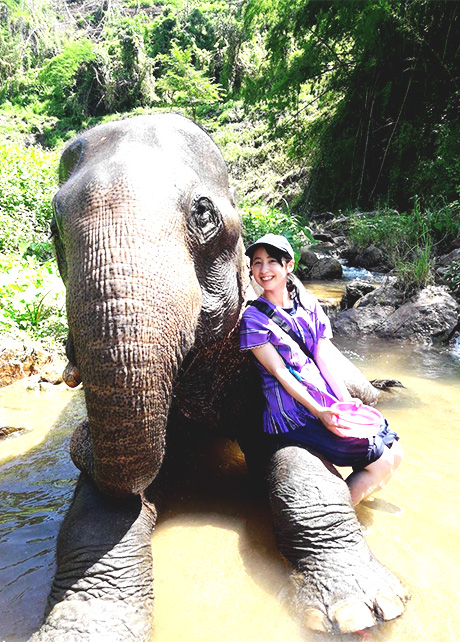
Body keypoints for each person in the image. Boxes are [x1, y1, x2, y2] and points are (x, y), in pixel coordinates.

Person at [239, 233, 403, 506]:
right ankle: (340, 518)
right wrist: (320, 412)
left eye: (271, 262)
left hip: (323, 403)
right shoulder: (253, 318)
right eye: (257, 263)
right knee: (381, 460)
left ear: (288, 266)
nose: (264, 270)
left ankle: (346, 506)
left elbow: (324, 359)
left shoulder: (309, 305)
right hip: (292, 416)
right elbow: (279, 372)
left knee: (395, 450)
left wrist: (343, 400)